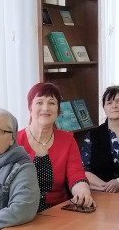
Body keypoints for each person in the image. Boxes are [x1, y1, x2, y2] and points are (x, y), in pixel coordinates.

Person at [17, 82, 95, 211]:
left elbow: (76, 175)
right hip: (21, 211)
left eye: (52, 103)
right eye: (39, 102)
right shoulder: (15, 141)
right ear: (30, 107)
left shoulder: (67, 139)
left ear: (58, 110)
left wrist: (82, 191)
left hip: (57, 211)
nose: (46, 108)